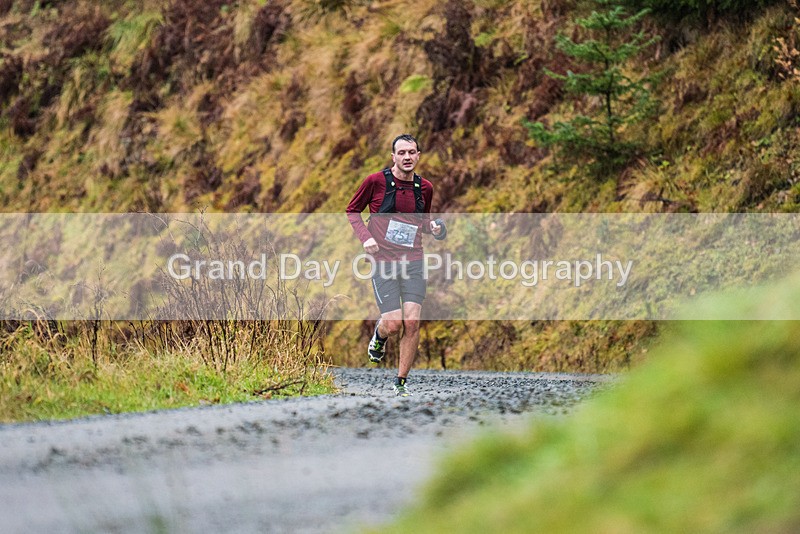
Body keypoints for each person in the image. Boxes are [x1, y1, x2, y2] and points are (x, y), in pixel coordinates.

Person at [346, 134, 446, 396]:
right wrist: (365, 238)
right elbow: (352, 211)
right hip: (384, 261)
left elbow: (420, 221)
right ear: (393, 157)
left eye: (412, 152)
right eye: (401, 153)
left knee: (412, 322)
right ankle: (379, 337)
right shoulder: (375, 182)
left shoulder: (425, 187)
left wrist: (434, 228)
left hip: (413, 260)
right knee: (394, 324)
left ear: (418, 155)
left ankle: (400, 382)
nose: (407, 157)